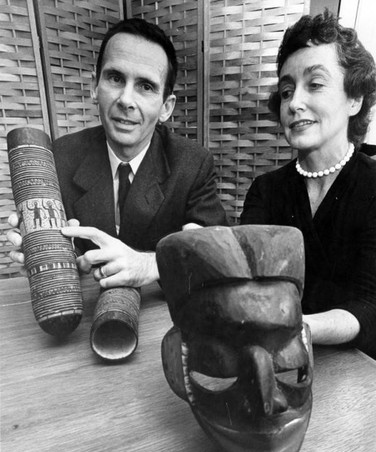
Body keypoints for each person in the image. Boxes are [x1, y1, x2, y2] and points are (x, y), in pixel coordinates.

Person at [7, 18, 227, 288]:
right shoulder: (60, 157)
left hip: (162, 311)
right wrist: (45, 253)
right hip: (86, 311)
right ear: (95, 86)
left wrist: (150, 264)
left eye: (145, 86)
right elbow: (67, 254)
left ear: (166, 107)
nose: (125, 100)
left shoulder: (192, 164)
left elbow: (214, 253)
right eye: (115, 78)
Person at [240, 10, 376, 358]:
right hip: (271, 356)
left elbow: (369, 304)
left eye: (314, 84)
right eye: (287, 91)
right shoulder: (265, 190)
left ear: (354, 99)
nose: (294, 103)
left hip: (356, 368)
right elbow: (251, 287)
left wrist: (296, 328)